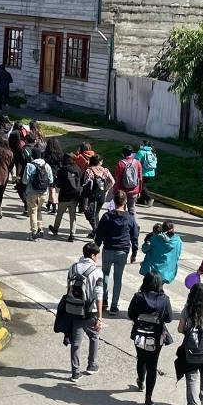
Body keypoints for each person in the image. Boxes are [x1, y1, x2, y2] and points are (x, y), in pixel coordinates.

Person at [128, 271, 173, 405]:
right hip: (156, 335)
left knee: (141, 358)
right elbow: (169, 318)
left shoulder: (138, 297)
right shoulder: (164, 299)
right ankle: (148, 398)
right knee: (152, 365)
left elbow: (131, 314)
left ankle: (141, 381)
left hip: (140, 333)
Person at [64, 242, 105, 382]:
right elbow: (99, 296)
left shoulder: (73, 267)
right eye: (97, 255)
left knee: (76, 342)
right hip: (89, 311)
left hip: (73, 309)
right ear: (93, 255)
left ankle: (75, 372)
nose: (98, 257)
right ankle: (92, 365)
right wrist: (100, 317)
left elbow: (68, 287)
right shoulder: (96, 272)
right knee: (94, 336)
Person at [94, 190, 139, 314]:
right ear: (125, 202)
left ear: (113, 201)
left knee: (105, 276)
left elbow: (99, 234)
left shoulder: (107, 216)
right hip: (122, 252)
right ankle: (114, 306)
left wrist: (96, 249)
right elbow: (134, 236)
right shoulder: (130, 218)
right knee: (118, 279)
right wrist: (134, 253)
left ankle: (103, 301)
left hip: (108, 249)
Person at [23, 147, 54, 241]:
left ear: (32, 155)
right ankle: (40, 228)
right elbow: (51, 180)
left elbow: (25, 181)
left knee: (32, 211)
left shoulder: (29, 165)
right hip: (43, 193)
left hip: (32, 192)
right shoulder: (47, 165)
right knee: (39, 209)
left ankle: (34, 231)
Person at [49, 153, 82, 242]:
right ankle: (72, 234)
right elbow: (81, 182)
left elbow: (59, 184)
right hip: (75, 196)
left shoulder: (62, 170)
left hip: (64, 196)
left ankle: (55, 229)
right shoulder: (78, 168)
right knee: (73, 216)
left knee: (59, 214)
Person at [139, 220, 183, 284]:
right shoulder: (178, 240)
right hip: (166, 272)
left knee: (147, 290)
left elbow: (144, 249)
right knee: (158, 289)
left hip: (152, 271)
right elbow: (177, 255)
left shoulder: (155, 238)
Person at [82, 155, 114, 238]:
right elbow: (112, 182)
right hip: (102, 196)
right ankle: (95, 230)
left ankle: (97, 231)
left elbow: (85, 183)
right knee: (96, 213)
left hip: (91, 195)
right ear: (99, 162)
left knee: (90, 213)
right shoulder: (105, 170)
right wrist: (106, 189)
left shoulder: (89, 171)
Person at [114, 145, 143, 215]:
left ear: (122, 153)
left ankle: (122, 224)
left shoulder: (120, 163)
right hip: (134, 190)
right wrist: (139, 190)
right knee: (132, 209)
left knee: (121, 209)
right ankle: (133, 225)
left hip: (122, 191)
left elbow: (118, 178)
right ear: (131, 153)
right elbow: (140, 178)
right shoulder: (137, 163)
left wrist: (116, 190)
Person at [43, 137, 64, 214]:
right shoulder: (61, 154)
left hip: (50, 173)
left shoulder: (47, 154)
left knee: (52, 190)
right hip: (58, 173)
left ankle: (54, 207)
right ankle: (49, 202)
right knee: (52, 189)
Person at [135, 140, 158, 207]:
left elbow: (136, 162)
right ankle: (141, 200)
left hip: (143, 172)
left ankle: (149, 198)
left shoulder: (140, 152)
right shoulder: (151, 151)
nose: (140, 144)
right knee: (142, 185)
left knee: (141, 186)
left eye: (141, 143)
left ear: (144, 145)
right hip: (151, 172)